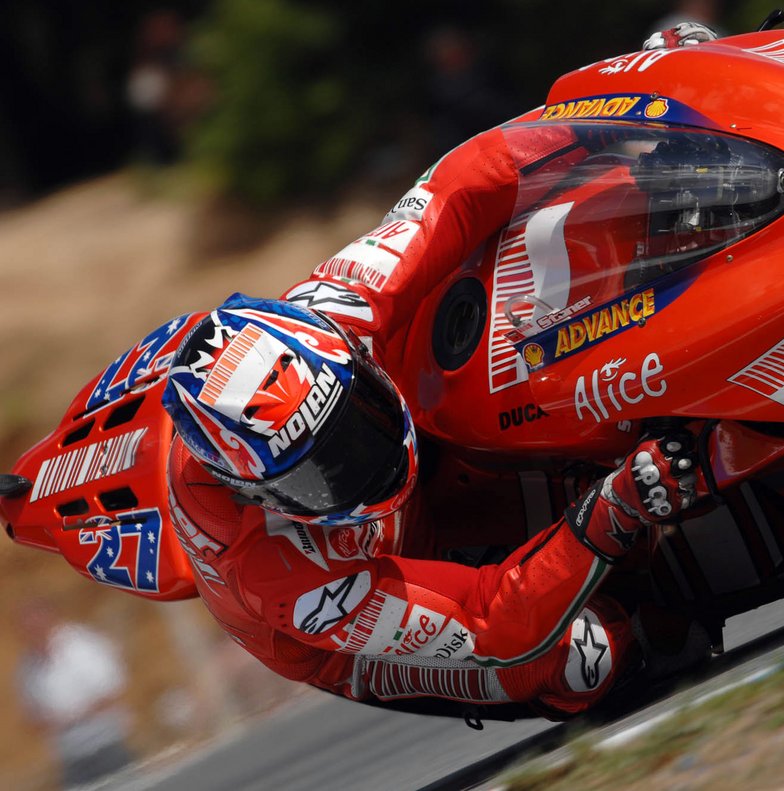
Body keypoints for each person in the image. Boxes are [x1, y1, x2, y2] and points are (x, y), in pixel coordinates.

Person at [160, 27, 714, 720]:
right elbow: (493, 623)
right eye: (323, 470)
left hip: (430, 459)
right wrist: (613, 511)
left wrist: (635, 108)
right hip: (366, 618)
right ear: (262, 494)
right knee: (584, 654)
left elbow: (462, 182)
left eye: (355, 416)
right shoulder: (276, 572)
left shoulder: (329, 313)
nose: (366, 460)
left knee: (507, 258)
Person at [15, 601, 134, 789]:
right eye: (27, 627)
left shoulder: (83, 646)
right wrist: (50, 722)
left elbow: (112, 691)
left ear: (50, 618)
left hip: (108, 743)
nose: (32, 631)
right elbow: (32, 718)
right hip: (72, 757)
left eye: (36, 623)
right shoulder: (28, 669)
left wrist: (75, 716)